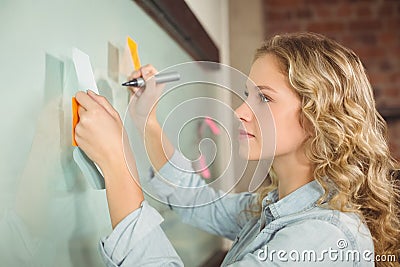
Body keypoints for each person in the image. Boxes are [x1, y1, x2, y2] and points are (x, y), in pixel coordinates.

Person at [74, 32, 400, 266]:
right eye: (247, 94)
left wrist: (118, 161)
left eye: (264, 97)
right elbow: (199, 202)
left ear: (317, 117)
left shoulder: (322, 237)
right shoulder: (282, 204)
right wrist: (149, 122)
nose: (241, 111)